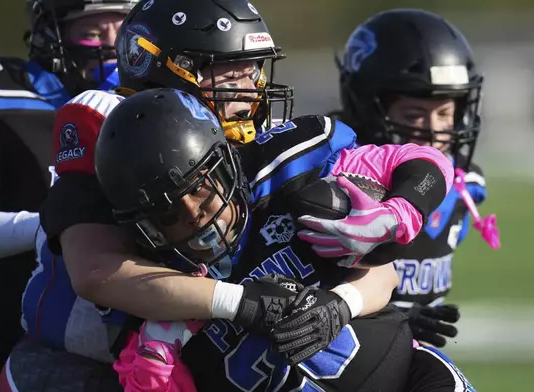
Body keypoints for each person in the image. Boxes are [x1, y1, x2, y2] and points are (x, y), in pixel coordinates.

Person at [59, 87, 433, 392]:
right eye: (168, 212)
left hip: (405, 376)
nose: (193, 212)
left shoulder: (290, 189)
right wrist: (234, 302)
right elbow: (101, 278)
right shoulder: (159, 300)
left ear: (225, 168)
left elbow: (384, 269)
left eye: (200, 189)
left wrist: (342, 303)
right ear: (146, 229)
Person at [0, 0, 139, 390]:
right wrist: (51, 228)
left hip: (99, 359)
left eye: (119, 29)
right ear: (51, 35)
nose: (109, 46)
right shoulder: (13, 111)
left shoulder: (154, 109)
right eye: (90, 32)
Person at [333, 8, 498, 349]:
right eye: (414, 114)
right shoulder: (334, 179)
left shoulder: (467, 187)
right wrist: (389, 318)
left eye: (444, 113)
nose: (434, 129)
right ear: (369, 108)